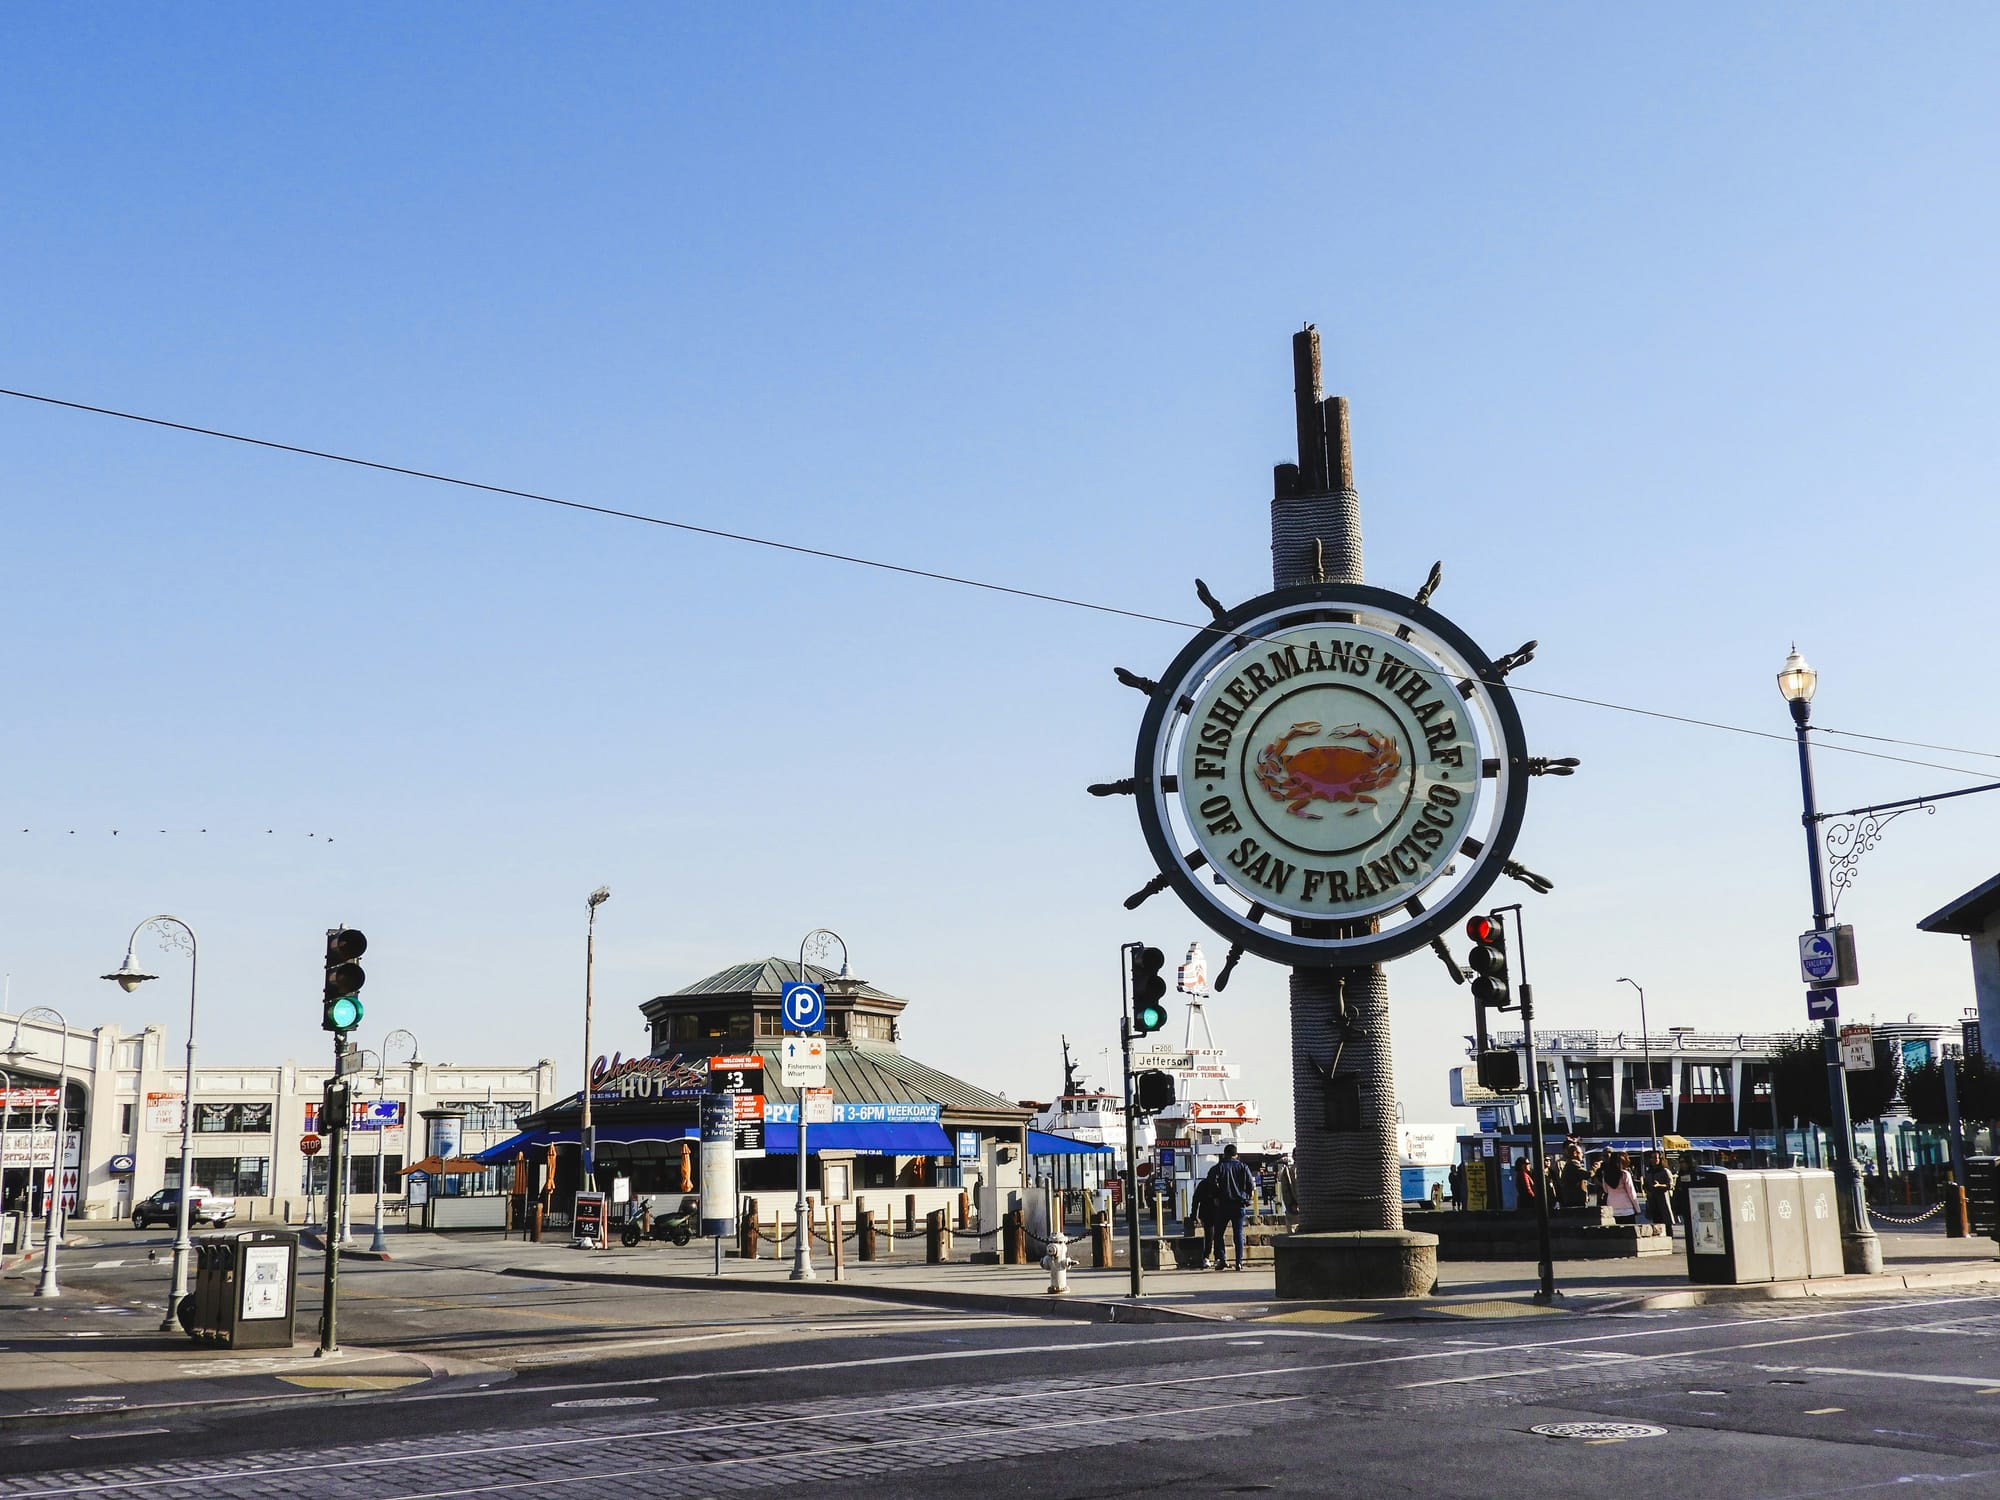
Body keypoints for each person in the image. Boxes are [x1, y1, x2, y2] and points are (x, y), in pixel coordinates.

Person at [1214, 1144, 1258, 1269]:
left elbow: (1212, 1184)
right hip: (1239, 1204)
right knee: (1238, 1234)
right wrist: (1248, 1196)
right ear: (1236, 1155)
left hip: (1223, 1205)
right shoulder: (1243, 1167)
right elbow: (1250, 1184)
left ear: (1224, 1154)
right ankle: (1239, 1261)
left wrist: (1216, 1197)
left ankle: (1222, 1259)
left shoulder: (1218, 1167)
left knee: (1218, 1234)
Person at [1192, 1163, 1225, 1269]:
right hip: (1217, 1212)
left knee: (1209, 1236)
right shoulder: (1220, 1184)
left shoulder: (1202, 1184)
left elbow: (1195, 1200)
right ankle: (1217, 1257)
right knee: (1218, 1236)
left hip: (1205, 1213)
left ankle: (1207, 1257)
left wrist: (1194, 1214)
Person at [1601, 1151, 1641, 1221]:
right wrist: (1637, 1209)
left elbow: (1605, 1190)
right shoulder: (1625, 1174)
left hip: (1612, 1208)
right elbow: (1631, 1193)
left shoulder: (1605, 1174)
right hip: (1627, 1209)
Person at [1642, 1150, 1675, 1227]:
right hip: (1653, 1201)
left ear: (1660, 1159)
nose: (1653, 1160)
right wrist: (1647, 1191)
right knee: (1656, 1223)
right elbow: (1645, 1185)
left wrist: (1660, 1185)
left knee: (1666, 1223)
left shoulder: (1665, 1171)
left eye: (1656, 1158)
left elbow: (1670, 1185)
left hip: (1663, 1200)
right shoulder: (1649, 1172)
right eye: (1652, 1158)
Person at [1555, 1144, 1589, 1210]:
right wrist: (1595, 1168)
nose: (1582, 1155)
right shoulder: (1573, 1164)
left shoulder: (1570, 1163)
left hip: (1573, 1199)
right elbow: (1586, 1175)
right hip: (1574, 1200)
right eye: (1581, 1152)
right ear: (1575, 1153)